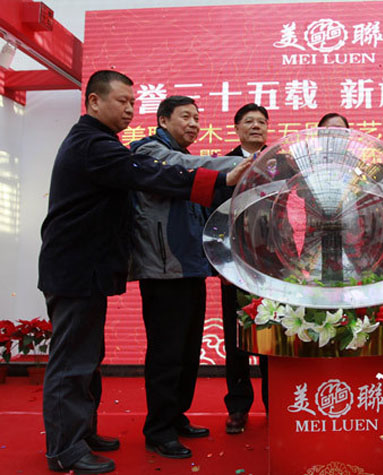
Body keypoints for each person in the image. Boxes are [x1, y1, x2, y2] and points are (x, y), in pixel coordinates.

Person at [38, 71, 251, 474]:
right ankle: (65, 447)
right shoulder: (94, 145)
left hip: (87, 268)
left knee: (88, 356)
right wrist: (224, 175)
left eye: (133, 103)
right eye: (122, 102)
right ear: (94, 101)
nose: (130, 110)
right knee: (72, 362)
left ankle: (81, 432)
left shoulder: (101, 142)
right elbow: (149, 173)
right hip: (75, 267)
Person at [129, 96, 244, 458]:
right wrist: (242, 163)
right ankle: (158, 429)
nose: (194, 124)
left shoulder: (183, 158)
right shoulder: (150, 151)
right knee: (166, 353)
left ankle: (176, 415)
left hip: (190, 267)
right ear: (163, 120)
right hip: (163, 271)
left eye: (197, 118)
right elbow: (188, 167)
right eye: (186, 117)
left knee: (188, 350)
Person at [221, 103, 269, 434]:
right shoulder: (223, 165)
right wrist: (223, 264)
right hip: (235, 266)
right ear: (237, 128)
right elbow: (216, 219)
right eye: (249, 122)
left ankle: (275, 403)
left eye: (261, 122)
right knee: (236, 338)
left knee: (272, 334)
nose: (255, 126)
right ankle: (238, 407)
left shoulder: (281, 163)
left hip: (272, 265)